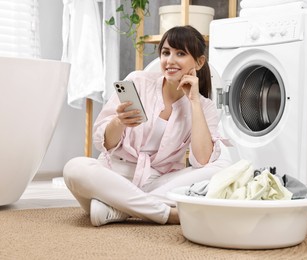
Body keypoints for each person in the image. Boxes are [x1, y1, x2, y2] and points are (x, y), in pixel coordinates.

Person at [63, 25, 231, 227]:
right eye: (166, 52)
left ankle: (118, 207)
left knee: (223, 168)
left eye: (180, 53)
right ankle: (166, 214)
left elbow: (202, 161)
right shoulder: (137, 81)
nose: (170, 60)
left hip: (159, 181)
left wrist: (194, 101)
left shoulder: (205, 106)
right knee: (75, 168)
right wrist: (119, 122)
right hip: (113, 175)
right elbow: (104, 143)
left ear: (199, 61)